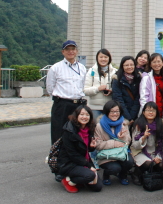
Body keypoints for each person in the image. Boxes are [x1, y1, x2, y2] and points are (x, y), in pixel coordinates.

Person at [47, 40, 87, 181]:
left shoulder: (82, 68)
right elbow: (50, 88)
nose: (71, 51)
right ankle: (59, 167)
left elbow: (83, 86)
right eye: (67, 49)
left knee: (77, 135)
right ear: (63, 52)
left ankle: (76, 164)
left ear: (76, 51)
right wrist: (62, 100)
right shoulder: (55, 68)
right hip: (62, 104)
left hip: (78, 105)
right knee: (59, 135)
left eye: (73, 49)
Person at [56, 105, 102, 193]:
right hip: (69, 163)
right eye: (82, 114)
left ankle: (81, 178)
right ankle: (69, 180)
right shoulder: (69, 131)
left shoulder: (89, 129)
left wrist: (92, 147)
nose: (84, 117)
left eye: (87, 115)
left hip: (83, 160)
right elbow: (72, 154)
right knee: (90, 176)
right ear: (76, 116)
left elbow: (86, 149)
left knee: (97, 187)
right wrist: (89, 166)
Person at [94, 100, 134, 185]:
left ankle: (122, 175)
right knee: (115, 168)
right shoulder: (99, 125)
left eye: (117, 111)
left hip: (121, 152)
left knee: (130, 162)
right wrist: (114, 143)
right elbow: (98, 145)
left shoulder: (124, 123)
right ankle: (106, 175)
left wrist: (122, 138)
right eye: (112, 112)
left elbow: (128, 141)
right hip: (106, 154)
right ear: (107, 112)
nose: (115, 114)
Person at [131, 102, 163, 186]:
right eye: (148, 110)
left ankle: (153, 174)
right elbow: (134, 144)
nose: (151, 113)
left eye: (153, 110)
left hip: (156, 152)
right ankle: (136, 173)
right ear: (143, 112)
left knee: (161, 165)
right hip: (140, 151)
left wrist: (158, 156)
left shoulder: (160, 123)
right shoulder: (138, 124)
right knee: (148, 163)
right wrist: (143, 137)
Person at [84, 48, 117, 119]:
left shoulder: (114, 72)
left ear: (109, 58)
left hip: (110, 108)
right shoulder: (91, 72)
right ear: (97, 58)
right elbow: (85, 91)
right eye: (101, 57)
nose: (103, 59)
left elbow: (119, 89)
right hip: (95, 108)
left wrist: (111, 91)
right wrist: (97, 89)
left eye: (105, 57)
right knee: (96, 128)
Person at [111, 56, 142, 124]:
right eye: (126, 65)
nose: (129, 67)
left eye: (131, 65)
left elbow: (138, 98)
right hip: (122, 114)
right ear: (122, 66)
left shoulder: (138, 78)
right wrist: (128, 117)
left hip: (135, 114)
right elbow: (118, 99)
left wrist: (133, 116)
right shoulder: (117, 79)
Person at [138, 53, 163, 117]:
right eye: (154, 62)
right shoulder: (146, 78)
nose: (157, 64)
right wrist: (147, 112)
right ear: (150, 64)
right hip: (151, 112)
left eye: (159, 61)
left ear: (162, 63)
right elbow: (143, 98)